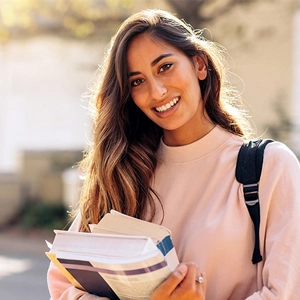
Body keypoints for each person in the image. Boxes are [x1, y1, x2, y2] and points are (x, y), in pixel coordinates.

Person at [47, 8, 300, 300]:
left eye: (165, 67)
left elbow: (288, 292)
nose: (156, 92)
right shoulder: (122, 173)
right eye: (137, 82)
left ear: (199, 64)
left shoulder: (268, 167)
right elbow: (62, 287)